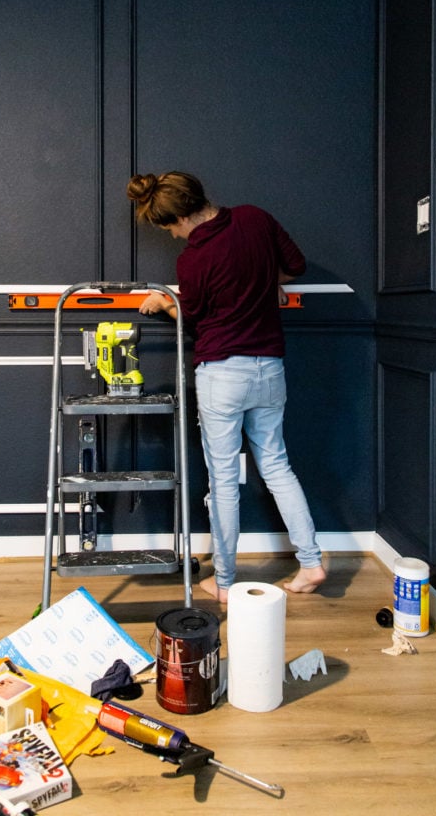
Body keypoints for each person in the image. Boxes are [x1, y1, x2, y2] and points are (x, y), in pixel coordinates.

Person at [126, 171, 326, 604]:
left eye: (171, 227)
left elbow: (194, 318)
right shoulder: (255, 218)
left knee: (222, 480)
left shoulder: (194, 259)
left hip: (222, 373)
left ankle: (224, 579)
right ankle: (311, 565)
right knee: (277, 466)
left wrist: (165, 302)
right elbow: (294, 267)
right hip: (270, 367)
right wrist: (259, 286)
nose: (176, 236)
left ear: (180, 214)